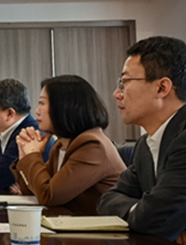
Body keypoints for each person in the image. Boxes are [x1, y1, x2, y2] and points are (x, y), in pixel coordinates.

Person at [97, 37, 186, 245]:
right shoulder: (146, 144)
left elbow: (152, 221)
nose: (117, 93)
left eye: (125, 82)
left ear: (162, 88)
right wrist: (149, 216)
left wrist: (154, 220)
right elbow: (107, 200)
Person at [11, 75, 125, 214]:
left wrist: (33, 155)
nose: (37, 111)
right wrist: (24, 155)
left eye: (42, 103)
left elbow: (48, 196)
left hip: (105, 226)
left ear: (63, 107)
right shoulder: (60, 144)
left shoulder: (92, 145)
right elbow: (32, 190)